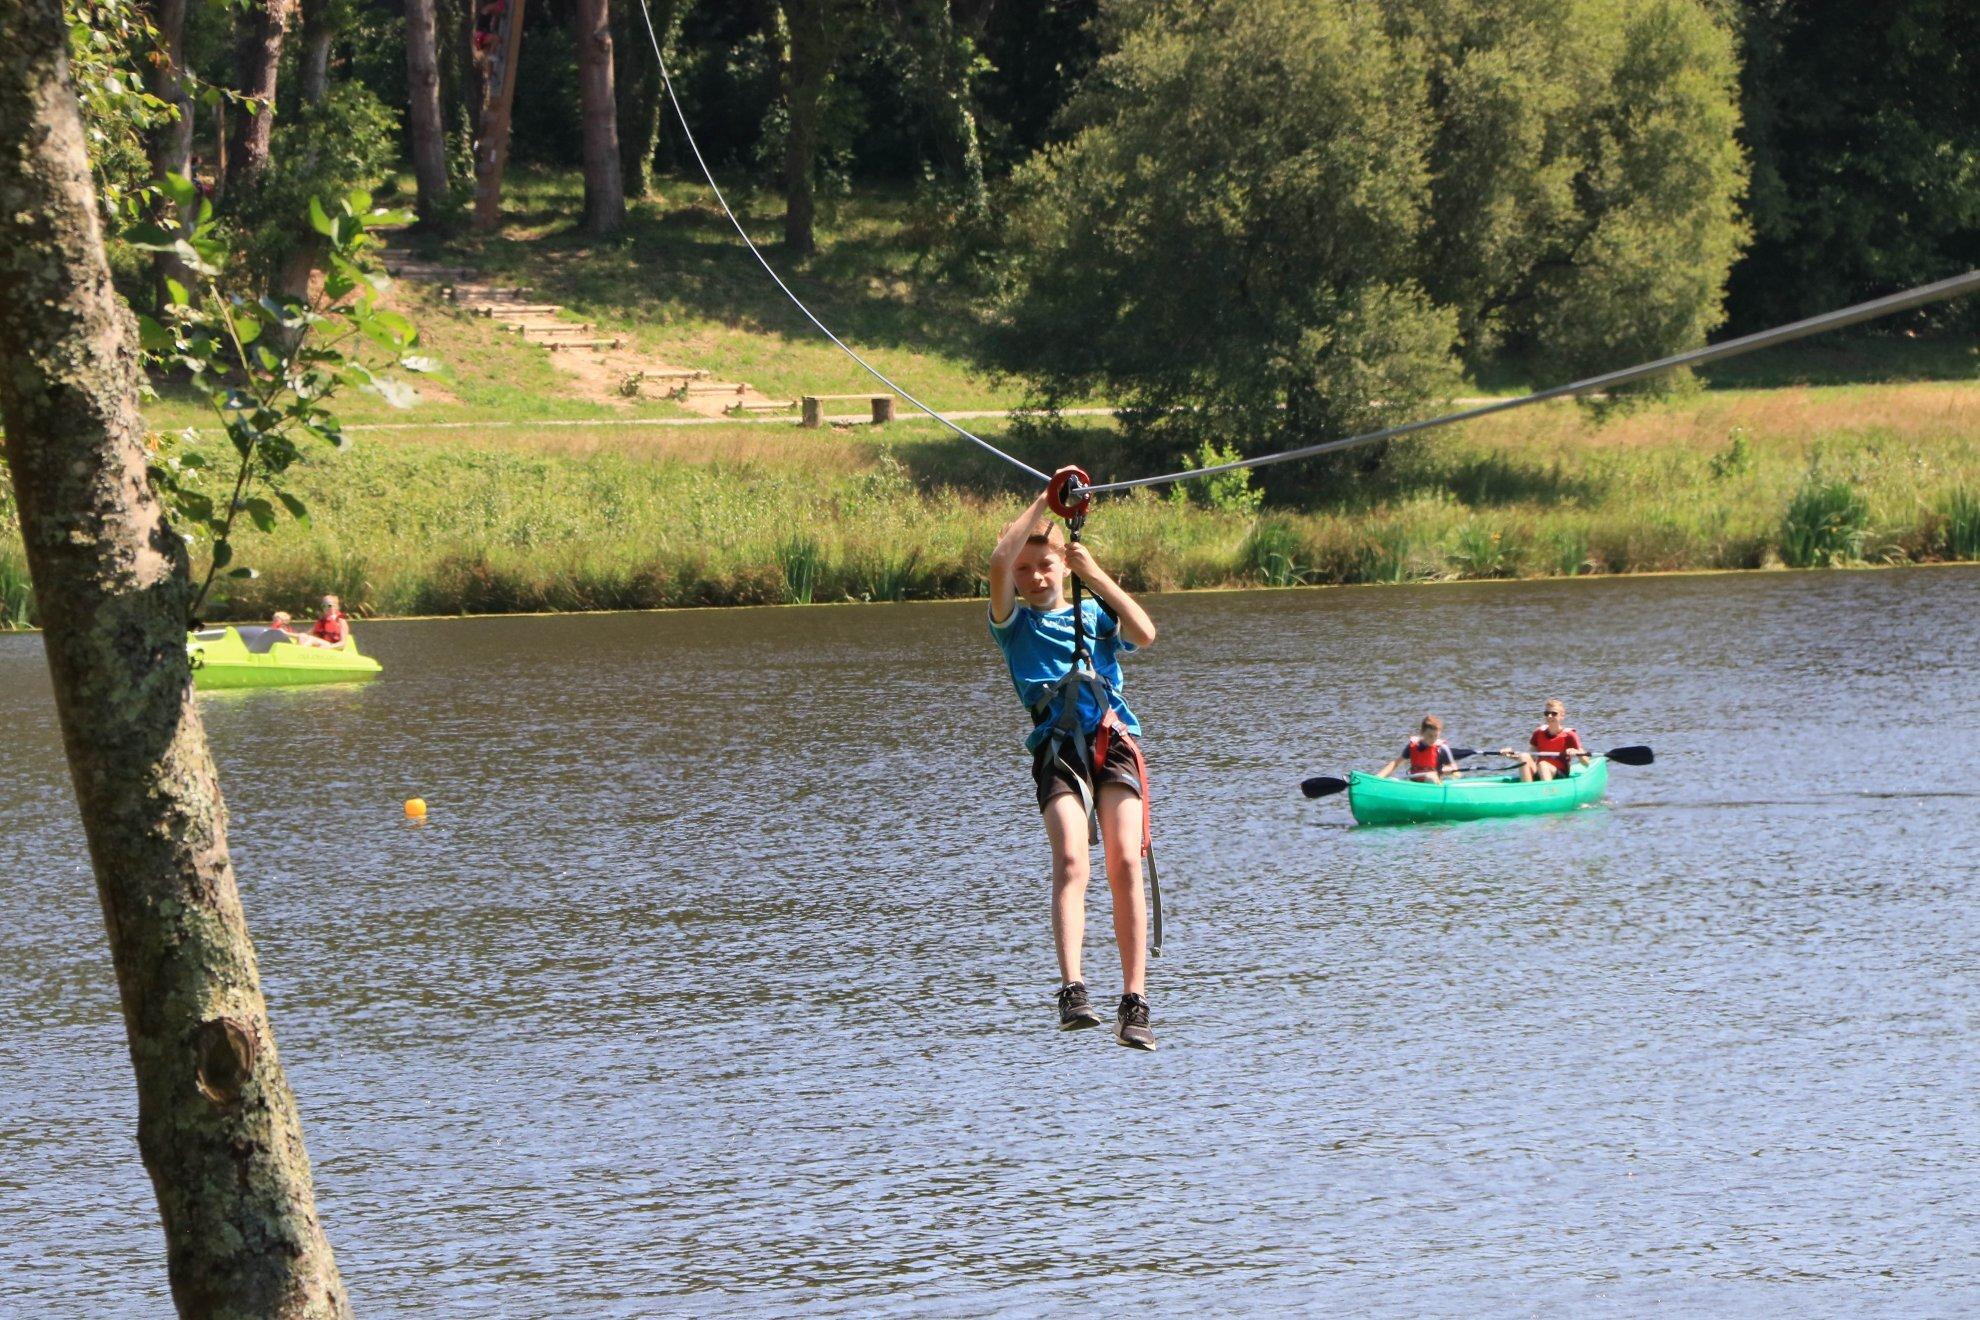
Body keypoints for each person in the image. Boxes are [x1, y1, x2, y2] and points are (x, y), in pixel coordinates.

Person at [989, 469, 1160, 1050]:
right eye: (1025, 570)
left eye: (1045, 565)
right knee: (1070, 861)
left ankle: (1134, 1001)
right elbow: (999, 559)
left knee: (1124, 862)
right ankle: (1073, 989)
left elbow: (1145, 633)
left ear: (1062, 566)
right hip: (1059, 749)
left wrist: (1095, 575)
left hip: (1112, 742)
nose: (1035, 576)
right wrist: (1048, 499)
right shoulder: (1014, 626)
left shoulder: (1094, 614)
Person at [1502, 700, 1589, 781]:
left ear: (1562, 716)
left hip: (1559, 774)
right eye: (1547, 713)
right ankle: (1527, 788)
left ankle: (1548, 790)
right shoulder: (1538, 733)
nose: (1549, 716)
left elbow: (1586, 762)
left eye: (1554, 713)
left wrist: (1577, 753)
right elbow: (1531, 757)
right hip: (1540, 770)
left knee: (1543, 764)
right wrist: (1511, 755)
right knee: (1523, 756)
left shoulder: (1569, 735)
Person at [1376, 715, 1462, 784]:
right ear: (1422, 733)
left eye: (1436, 736)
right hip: (1414, 784)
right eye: (1430, 736)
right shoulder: (1412, 747)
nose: (1433, 739)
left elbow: (1455, 771)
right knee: (1392, 780)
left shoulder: (1441, 749)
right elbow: (1395, 764)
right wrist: (1378, 778)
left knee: (1430, 777)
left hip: (1433, 784)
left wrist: (1444, 770)